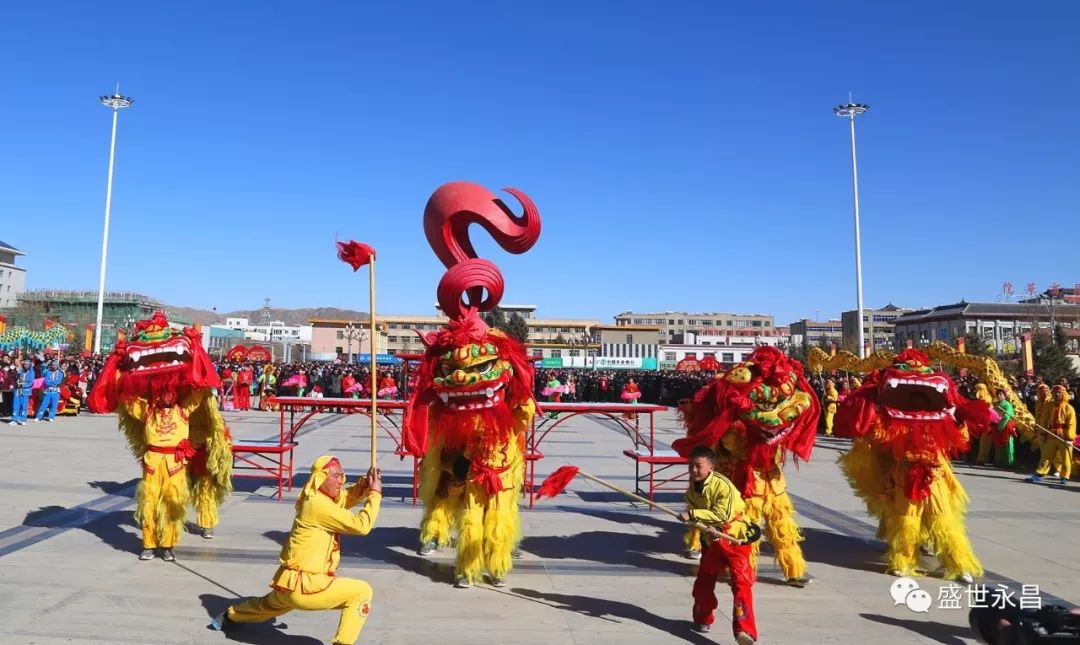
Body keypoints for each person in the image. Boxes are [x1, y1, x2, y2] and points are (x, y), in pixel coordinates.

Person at [212, 457, 381, 645]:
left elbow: (344, 498)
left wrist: (364, 486)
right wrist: (375, 494)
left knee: (266, 605)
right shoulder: (318, 505)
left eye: (342, 475)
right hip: (305, 586)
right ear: (320, 478)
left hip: (288, 585)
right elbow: (361, 526)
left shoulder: (316, 496)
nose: (341, 480)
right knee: (361, 592)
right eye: (335, 476)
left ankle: (229, 616)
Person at [677, 445, 757, 645]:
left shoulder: (723, 485)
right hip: (711, 541)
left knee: (741, 585)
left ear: (711, 467)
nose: (694, 471)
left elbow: (723, 515)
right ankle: (703, 618)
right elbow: (699, 517)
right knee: (703, 582)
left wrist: (694, 515)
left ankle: (743, 631)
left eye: (698, 466)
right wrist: (699, 523)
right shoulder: (692, 489)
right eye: (691, 466)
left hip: (734, 539)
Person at [10, 358, 34, 426]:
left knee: (24, 405)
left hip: (25, 390)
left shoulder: (31, 372)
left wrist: (23, 385)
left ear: (29, 365)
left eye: (27, 364)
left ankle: (23, 419)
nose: (26, 365)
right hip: (17, 390)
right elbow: (14, 378)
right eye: (25, 364)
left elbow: (31, 382)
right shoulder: (20, 370)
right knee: (16, 405)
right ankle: (14, 419)